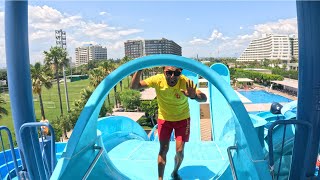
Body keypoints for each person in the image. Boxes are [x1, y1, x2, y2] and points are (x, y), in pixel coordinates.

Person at [130, 66, 207, 180]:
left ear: (180, 72)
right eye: (169, 72)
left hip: (182, 119)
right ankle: (160, 178)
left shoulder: (185, 81)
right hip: (164, 119)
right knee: (163, 150)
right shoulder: (157, 79)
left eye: (176, 73)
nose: (172, 76)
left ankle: (175, 172)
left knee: (179, 151)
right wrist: (140, 69)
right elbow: (134, 87)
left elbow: (204, 98)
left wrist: (194, 96)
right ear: (163, 71)